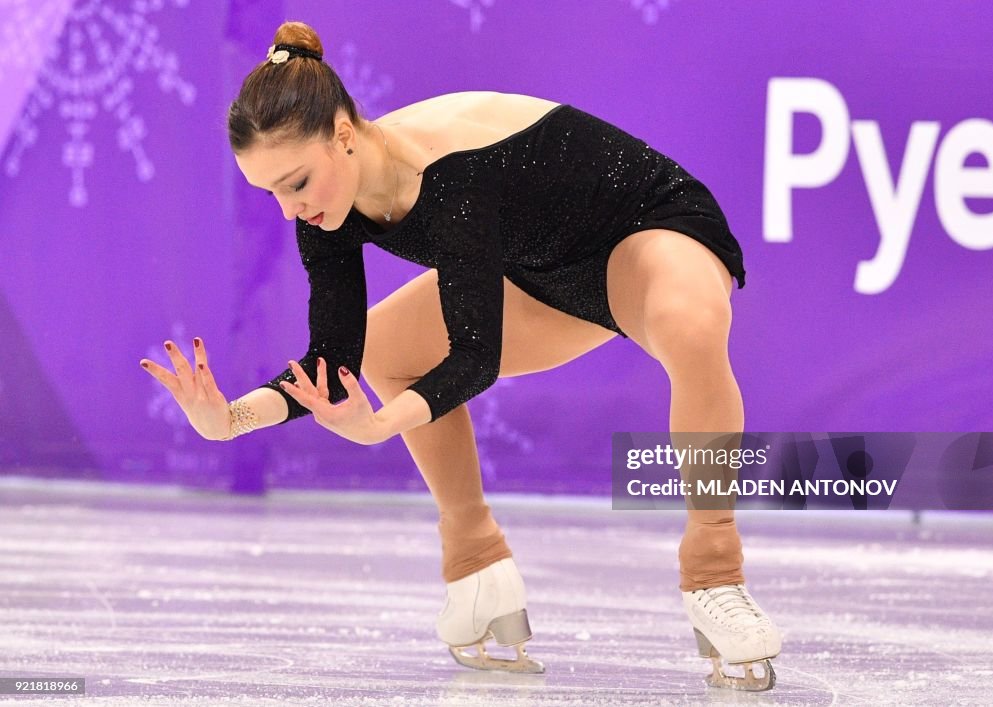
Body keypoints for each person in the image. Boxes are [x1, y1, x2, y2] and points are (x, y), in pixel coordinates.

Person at [140, 21, 781, 690]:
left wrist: (381, 424)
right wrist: (231, 420)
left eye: (295, 182)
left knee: (690, 326)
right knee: (389, 348)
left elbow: (478, 354)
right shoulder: (325, 211)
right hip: (542, 276)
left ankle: (714, 569)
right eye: (270, 191)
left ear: (343, 134)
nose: (288, 208)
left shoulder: (452, 175)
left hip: (648, 230)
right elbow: (333, 361)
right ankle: (477, 563)